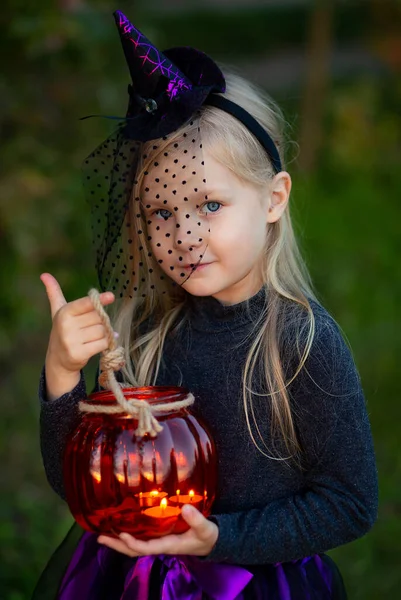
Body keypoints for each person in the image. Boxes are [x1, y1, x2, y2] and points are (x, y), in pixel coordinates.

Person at [33, 9, 378, 600]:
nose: (184, 235)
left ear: (273, 198)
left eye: (210, 205)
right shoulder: (145, 332)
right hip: (135, 583)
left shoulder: (300, 344)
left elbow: (349, 503)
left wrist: (218, 538)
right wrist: (63, 376)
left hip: (253, 584)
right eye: (162, 213)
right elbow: (80, 487)